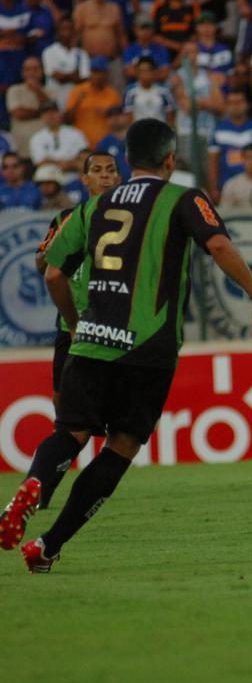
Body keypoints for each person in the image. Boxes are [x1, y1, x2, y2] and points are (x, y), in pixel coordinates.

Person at [0, 118, 252, 573]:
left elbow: (52, 272)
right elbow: (220, 246)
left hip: (89, 343)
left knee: (70, 434)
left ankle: (32, 484)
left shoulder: (94, 206)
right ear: (171, 160)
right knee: (122, 445)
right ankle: (47, 545)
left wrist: (74, 325)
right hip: (147, 347)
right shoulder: (182, 198)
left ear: (126, 161)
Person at [32, 152, 121, 510]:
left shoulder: (128, 221)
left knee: (113, 418)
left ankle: (85, 488)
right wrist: (58, 246)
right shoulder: (67, 217)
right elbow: (42, 263)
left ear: (119, 177)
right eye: (96, 171)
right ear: (83, 180)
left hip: (114, 327)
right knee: (64, 413)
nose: (104, 176)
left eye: (110, 170)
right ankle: (46, 492)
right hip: (72, 326)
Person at [207, 89, 252, 200]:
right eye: (231, 103)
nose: (236, 106)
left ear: (247, 104)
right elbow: (213, 163)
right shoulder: (219, 130)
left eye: (239, 102)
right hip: (227, 187)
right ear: (227, 106)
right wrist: (213, 188)